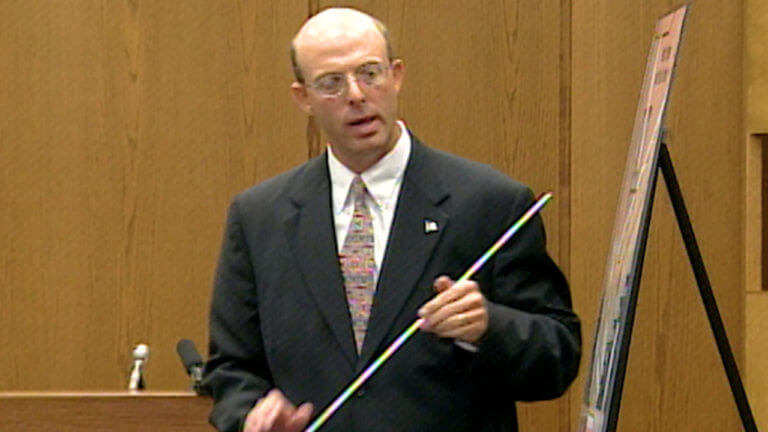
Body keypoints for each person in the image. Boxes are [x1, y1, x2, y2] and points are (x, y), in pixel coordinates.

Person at [203, 7, 580, 432]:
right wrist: (250, 415)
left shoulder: (490, 202)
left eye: (370, 73)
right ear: (302, 98)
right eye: (331, 83)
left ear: (396, 75)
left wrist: (489, 325)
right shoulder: (258, 217)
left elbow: (559, 355)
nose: (356, 95)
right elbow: (230, 368)